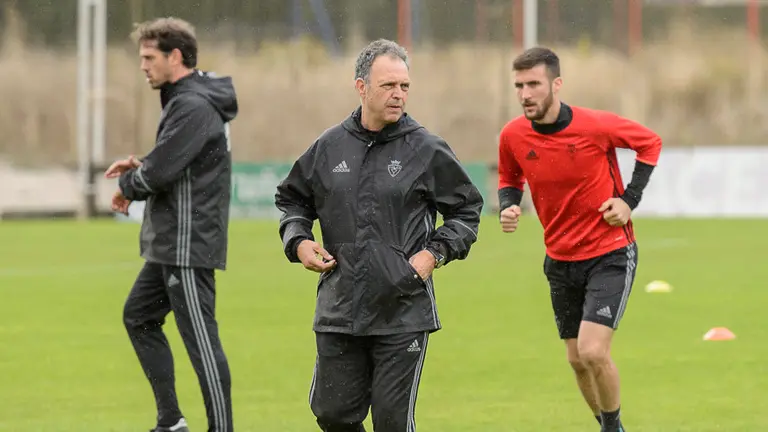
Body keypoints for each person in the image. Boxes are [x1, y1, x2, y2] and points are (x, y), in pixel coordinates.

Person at [274, 38, 484, 432]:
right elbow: (292, 200)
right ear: (361, 87)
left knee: (391, 423)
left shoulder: (426, 148)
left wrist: (432, 254)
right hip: (340, 307)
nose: (398, 94)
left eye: (404, 86)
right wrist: (298, 240)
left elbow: (466, 210)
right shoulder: (328, 146)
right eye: (388, 85)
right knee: (332, 414)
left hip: (402, 308)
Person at [496, 47, 662, 432]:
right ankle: (607, 425)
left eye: (534, 84)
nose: (525, 94)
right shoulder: (513, 134)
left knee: (592, 350)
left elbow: (650, 142)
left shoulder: (595, 126)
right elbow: (509, 176)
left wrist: (628, 200)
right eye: (519, 85)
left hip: (610, 254)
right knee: (575, 359)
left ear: (556, 84)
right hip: (559, 259)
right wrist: (509, 205)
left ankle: (613, 427)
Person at [103, 17, 238, 432]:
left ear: (174, 57)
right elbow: (174, 161)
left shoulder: (193, 104)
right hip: (171, 242)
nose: (143, 66)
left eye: (149, 57)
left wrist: (130, 182)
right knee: (139, 316)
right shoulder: (186, 98)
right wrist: (144, 164)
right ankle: (171, 420)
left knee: (201, 342)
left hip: (187, 242)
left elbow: (160, 174)